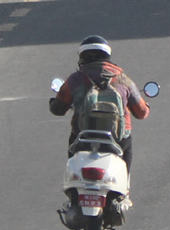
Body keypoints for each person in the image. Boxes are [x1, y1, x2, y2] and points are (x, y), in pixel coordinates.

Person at [48, 36, 150, 171]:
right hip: (118, 140)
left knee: (74, 158)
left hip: (83, 138)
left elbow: (58, 110)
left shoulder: (75, 79)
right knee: (125, 165)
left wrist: (54, 103)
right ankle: (124, 184)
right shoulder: (123, 80)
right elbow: (142, 113)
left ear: (82, 57)